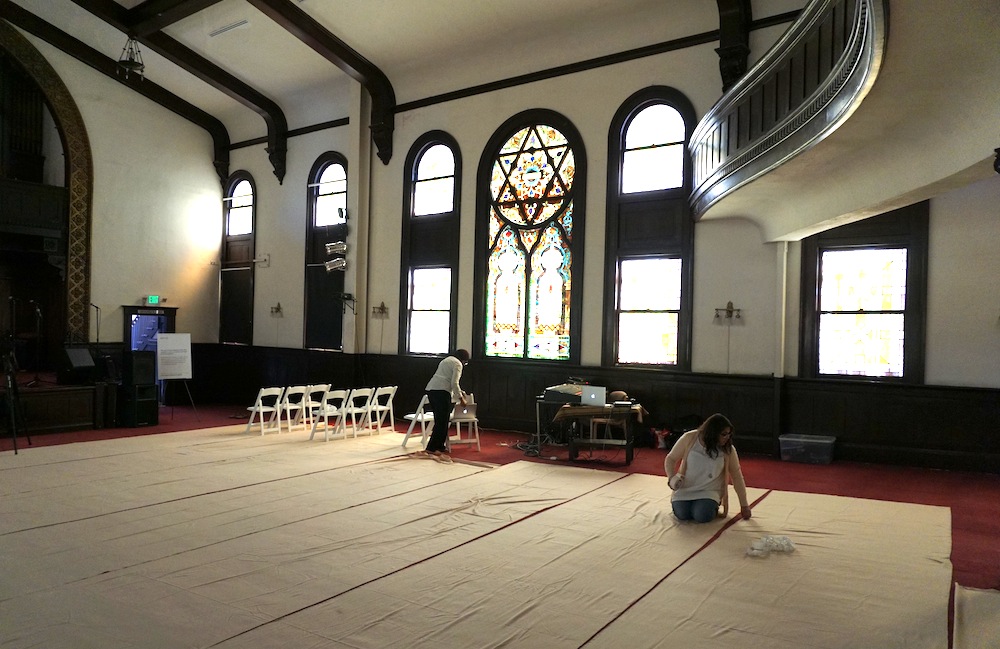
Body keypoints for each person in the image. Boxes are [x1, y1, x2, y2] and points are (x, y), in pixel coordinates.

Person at [663, 413, 752, 523]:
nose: (727, 438)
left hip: (709, 492)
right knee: (682, 514)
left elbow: (737, 476)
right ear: (713, 433)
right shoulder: (689, 438)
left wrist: (744, 505)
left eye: (729, 434)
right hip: (685, 489)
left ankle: (710, 506)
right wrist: (672, 477)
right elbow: (670, 459)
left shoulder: (728, 450)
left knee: (702, 515)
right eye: (723, 434)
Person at [420, 349, 470, 462]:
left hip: (432, 390)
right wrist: (461, 399)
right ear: (463, 360)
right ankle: (433, 447)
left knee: (440, 420)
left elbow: (447, 379)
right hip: (442, 392)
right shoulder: (458, 364)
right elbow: (454, 383)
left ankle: (438, 446)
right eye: (465, 363)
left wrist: (459, 392)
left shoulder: (446, 360)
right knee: (442, 421)